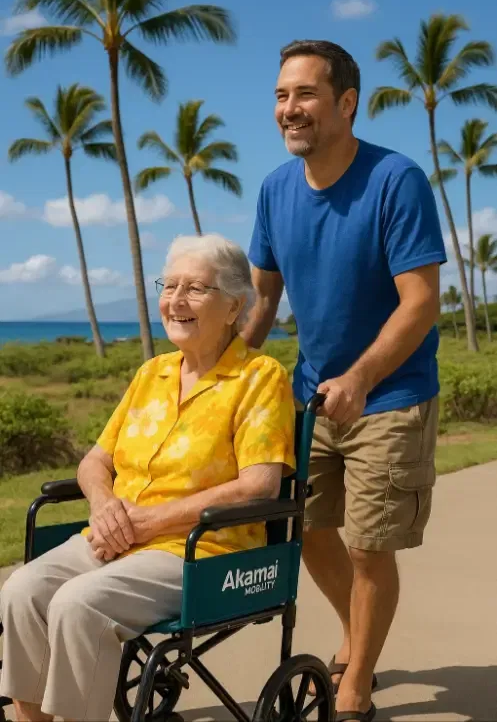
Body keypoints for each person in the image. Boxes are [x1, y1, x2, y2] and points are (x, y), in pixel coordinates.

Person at [0, 234, 296, 722]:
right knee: (21, 590)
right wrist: (103, 504)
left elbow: (258, 486)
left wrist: (149, 522)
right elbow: (95, 461)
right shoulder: (151, 374)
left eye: (196, 288)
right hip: (119, 535)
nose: (176, 300)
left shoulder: (260, 377)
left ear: (234, 308)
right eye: (170, 285)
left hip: (202, 550)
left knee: (79, 604)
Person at [242, 40, 446, 722]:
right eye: (279, 95)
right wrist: (223, 376)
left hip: (389, 393)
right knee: (308, 532)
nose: (287, 109)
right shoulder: (274, 190)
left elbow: (420, 301)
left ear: (345, 103)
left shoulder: (395, 180)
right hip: (311, 394)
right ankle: (359, 640)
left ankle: (355, 681)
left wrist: (360, 374)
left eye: (302, 94)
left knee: (366, 544)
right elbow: (262, 301)